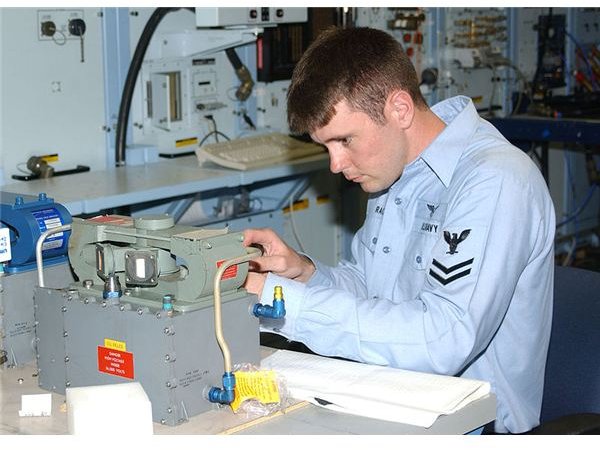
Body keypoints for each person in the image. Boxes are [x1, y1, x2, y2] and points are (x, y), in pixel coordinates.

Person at [243, 26, 555, 434]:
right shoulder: (395, 172)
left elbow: (444, 339)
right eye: (327, 147)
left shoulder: (495, 181)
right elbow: (371, 289)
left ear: (400, 109)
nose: (336, 164)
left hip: (475, 428)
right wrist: (303, 274)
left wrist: (286, 305)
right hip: (393, 403)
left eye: (345, 140)